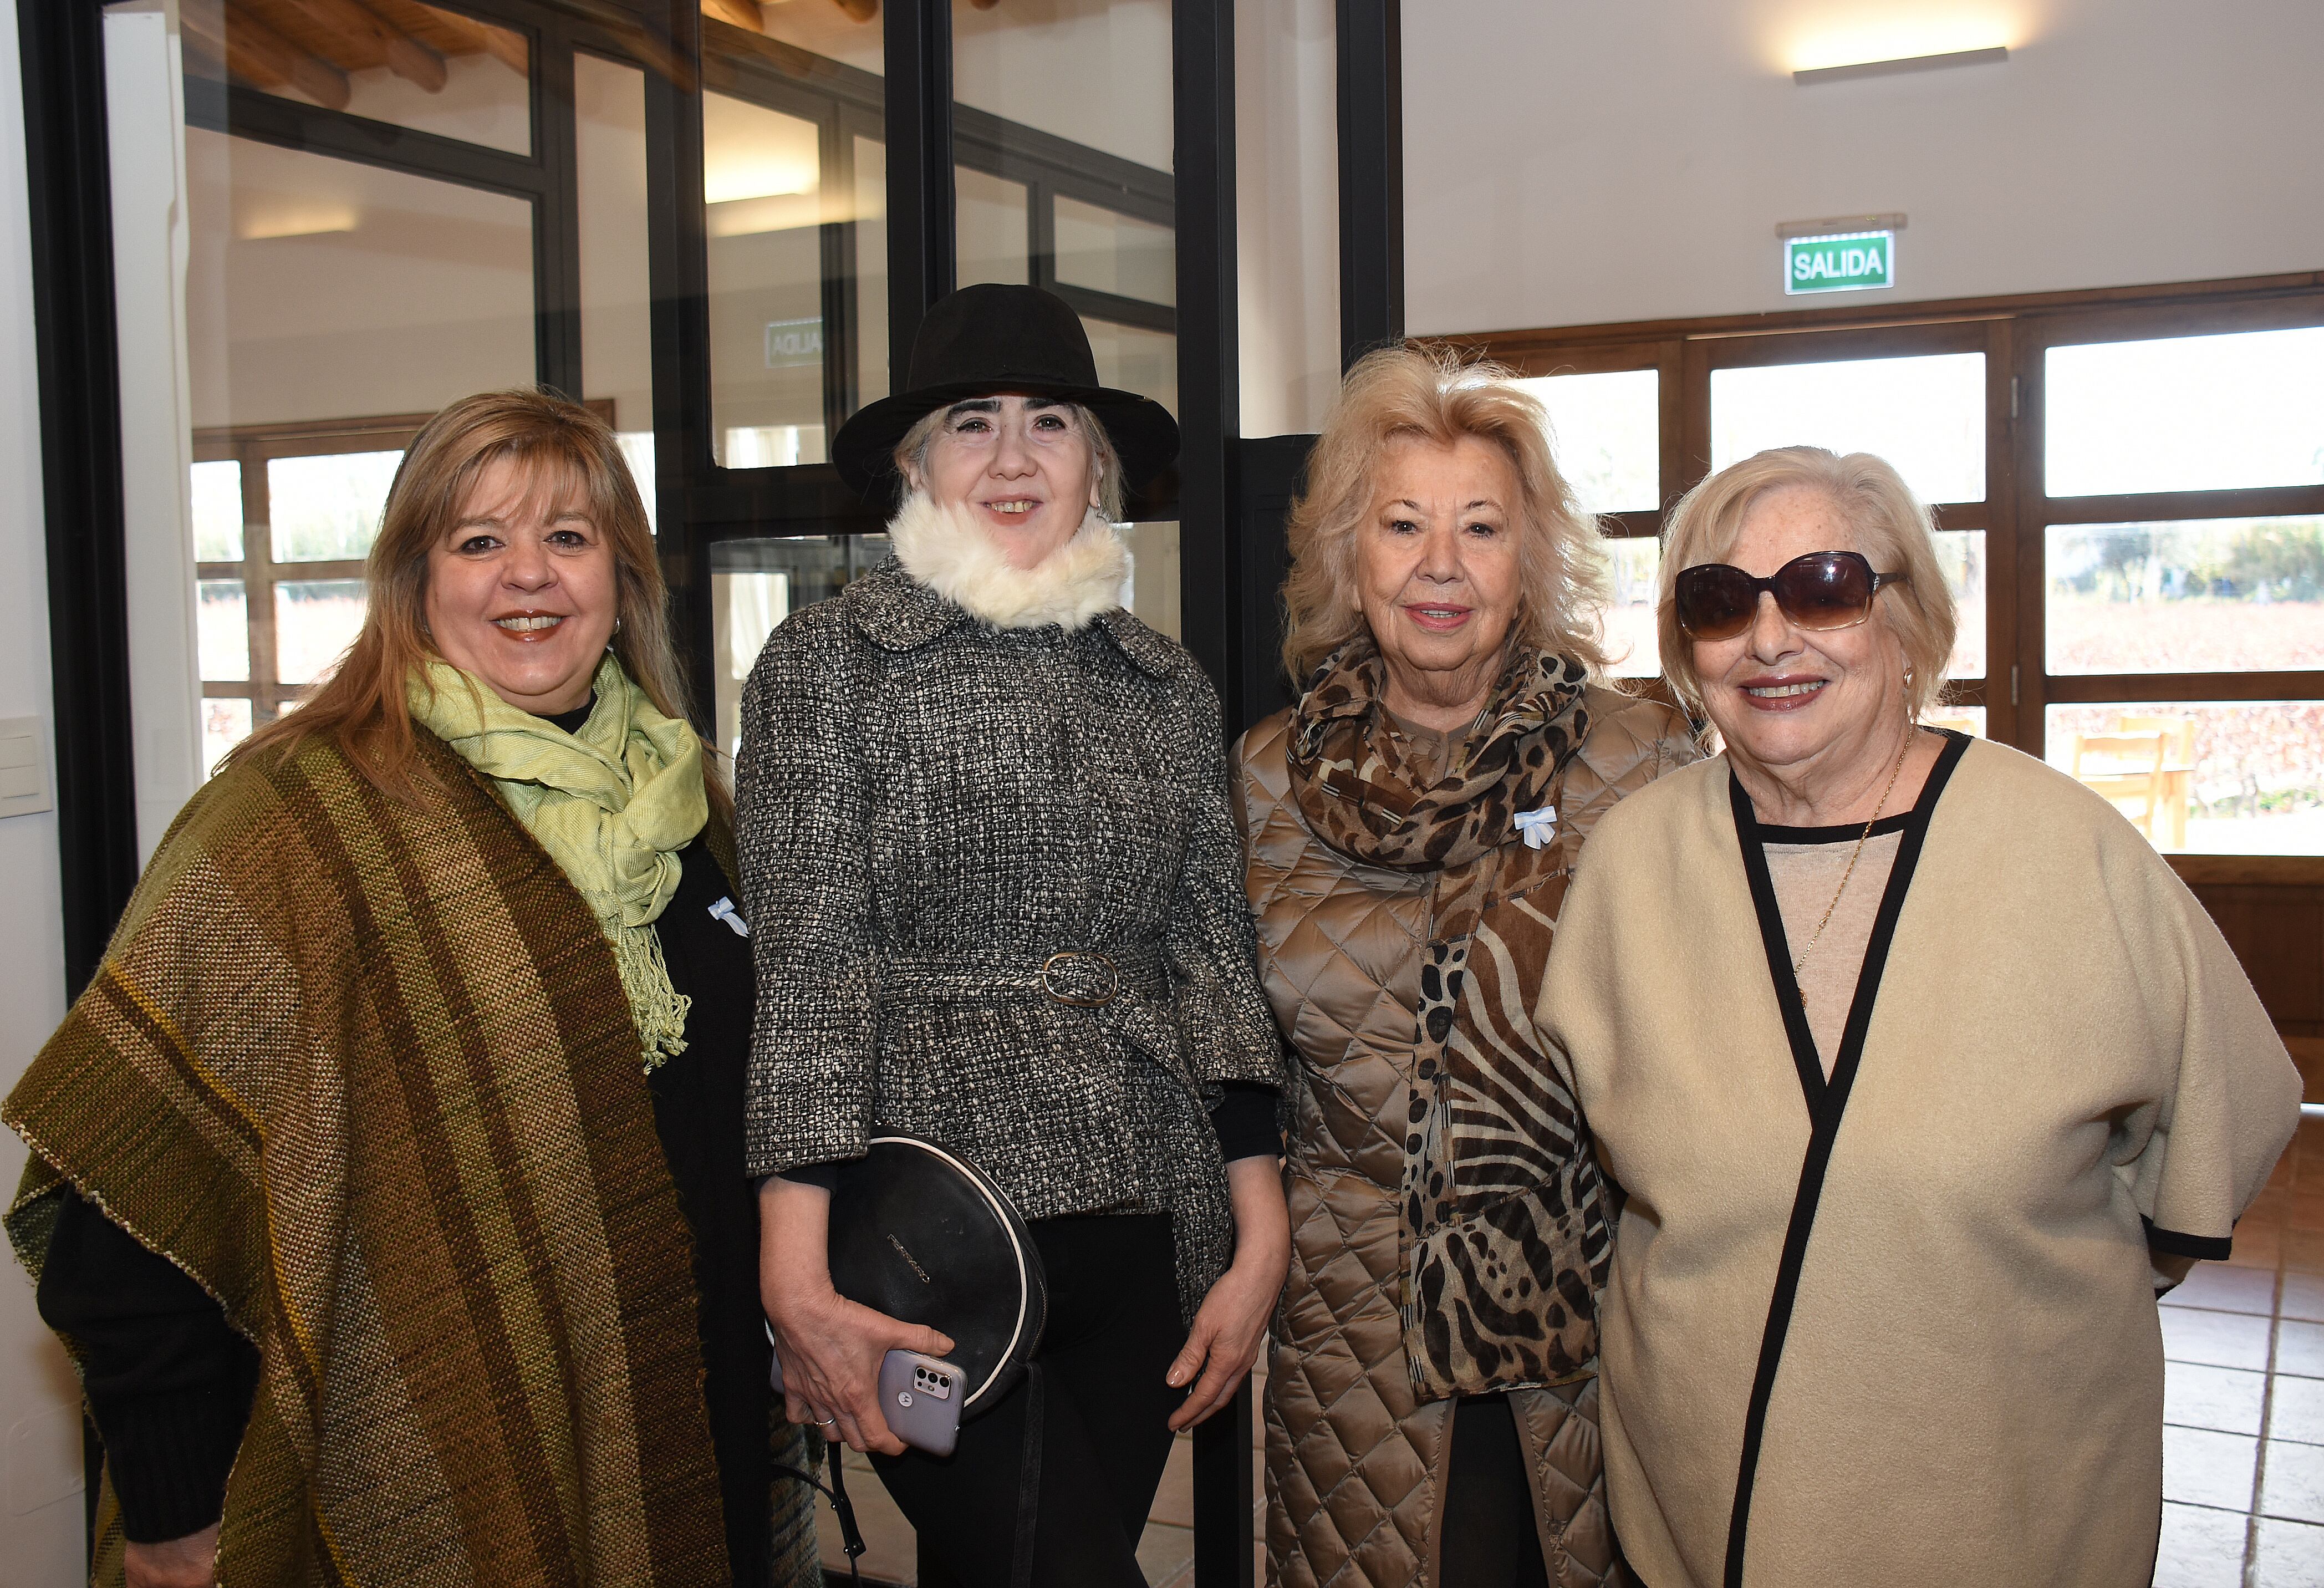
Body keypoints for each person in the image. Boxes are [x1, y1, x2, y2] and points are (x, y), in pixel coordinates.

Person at [4, 389, 818, 1588]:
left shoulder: (686, 793)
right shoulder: (294, 821)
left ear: (622, 574)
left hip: (701, 1444)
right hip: (434, 1466)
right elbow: (121, 1206)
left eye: (568, 537)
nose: (526, 577)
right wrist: (174, 1518)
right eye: (479, 541)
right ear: (414, 579)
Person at [1536, 445, 2303, 1587]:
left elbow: (2218, 1114)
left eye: (1823, 587)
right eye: (1717, 601)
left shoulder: (2064, 846)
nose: (1768, 637)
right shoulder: (1632, 864)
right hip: (1705, 1498)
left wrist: (2007, 1258)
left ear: (1907, 620)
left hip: (2005, 1493)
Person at [741, 283, 1290, 1588]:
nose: (1010, 455)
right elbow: (811, 967)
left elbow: (1211, 958)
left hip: (1151, 1235)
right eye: (970, 422)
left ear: (1095, 464)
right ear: (914, 462)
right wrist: (791, 1273)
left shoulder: (1165, 686)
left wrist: (1256, 1230)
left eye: (1050, 422)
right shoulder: (828, 662)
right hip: (924, 1239)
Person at [1233, 345, 1699, 1588]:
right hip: (1345, 1317)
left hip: (1593, 1310)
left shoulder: (1642, 757)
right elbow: (1228, 1059)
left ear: (1530, 560)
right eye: (1401, 524)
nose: (1439, 565)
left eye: (1480, 527)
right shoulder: (1266, 778)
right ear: (1348, 554)